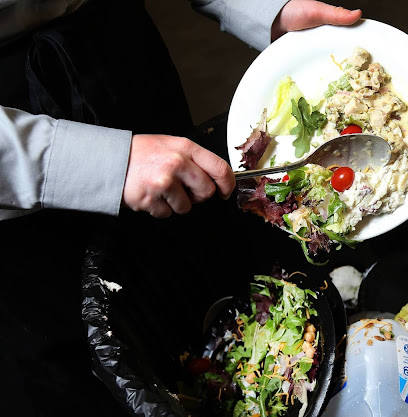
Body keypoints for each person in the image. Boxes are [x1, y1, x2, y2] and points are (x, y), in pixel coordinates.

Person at [0, 1, 361, 416]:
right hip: (19, 164)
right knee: (82, 370)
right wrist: (98, 162)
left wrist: (267, 8)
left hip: (115, 46)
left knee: (200, 232)